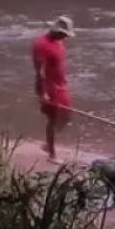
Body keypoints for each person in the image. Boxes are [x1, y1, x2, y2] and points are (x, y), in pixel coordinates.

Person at [32, 15, 75, 164]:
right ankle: (52, 154)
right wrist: (43, 93)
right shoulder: (41, 44)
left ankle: (48, 142)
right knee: (53, 118)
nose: (65, 37)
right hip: (50, 87)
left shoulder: (58, 41)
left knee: (67, 116)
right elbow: (40, 71)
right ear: (56, 31)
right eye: (64, 33)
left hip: (61, 85)